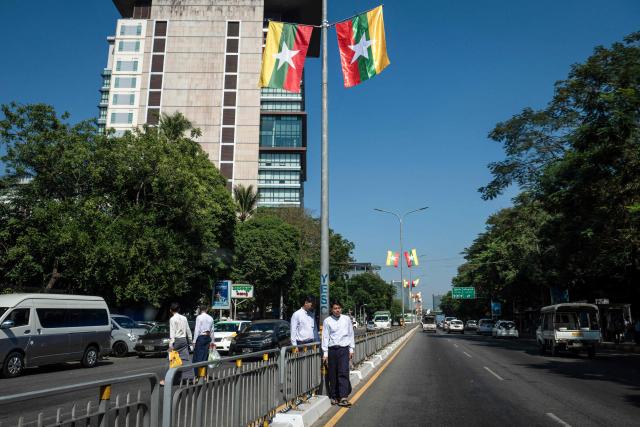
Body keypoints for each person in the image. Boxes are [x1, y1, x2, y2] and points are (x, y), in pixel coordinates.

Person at [322, 300, 355, 407]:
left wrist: (351, 349)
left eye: (339, 308)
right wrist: (325, 353)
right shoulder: (327, 321)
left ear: (341, 309)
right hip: (332, 350)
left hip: (344, 349)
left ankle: (343, 397)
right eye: (335, 308)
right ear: (332, 309)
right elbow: (325, 337)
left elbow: (351, 334)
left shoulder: (346, 319)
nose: (337, 310)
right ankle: (334, 396)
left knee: (343, 372)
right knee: (332, 374)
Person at [160, 302, 194, 386]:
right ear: (179, 309)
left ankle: (166, 380)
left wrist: (171, 345)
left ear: (171, 310)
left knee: (169, 359)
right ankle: (191, 378)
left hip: (176, 340)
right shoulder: (184, 318)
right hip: (184, 340)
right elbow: (188, 330)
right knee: (185, 359)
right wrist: (190, 341)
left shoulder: (172, 319)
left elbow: (172, 332)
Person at [192, 304, 215, 374]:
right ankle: (204, 375)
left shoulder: (199, 317)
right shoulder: (211, 318)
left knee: (198, 357)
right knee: (205, 356)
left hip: (201, 337)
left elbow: (197, 329)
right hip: (208, 338)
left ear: (200, 310)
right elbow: (212, 331)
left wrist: (194, 341)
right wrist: (212, 341)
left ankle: (198, 375)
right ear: (206, 309)